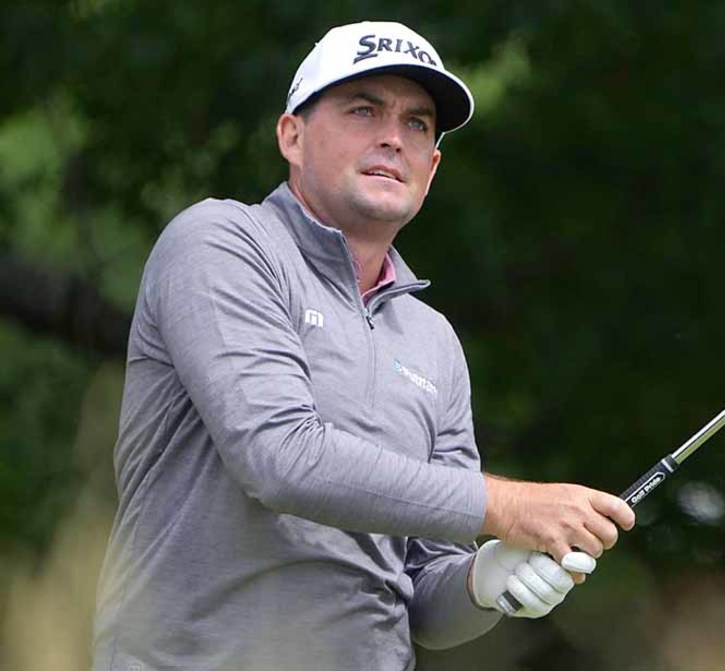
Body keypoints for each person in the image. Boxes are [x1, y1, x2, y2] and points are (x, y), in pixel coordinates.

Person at [92, 20, 635, 671]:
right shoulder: (221, 243)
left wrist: (488, 582)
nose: (392, 137)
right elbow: (280, 456)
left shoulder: (433, 340)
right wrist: (509, 506)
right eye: (363, 109)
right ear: (291, 135)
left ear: (432, 168)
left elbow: (426, 601)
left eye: (417, 124)